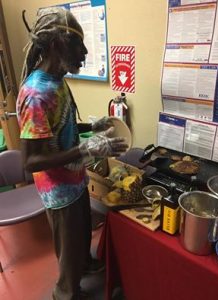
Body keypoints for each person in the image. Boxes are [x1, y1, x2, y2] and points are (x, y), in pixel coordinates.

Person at [16, 7, 128, 300]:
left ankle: (85, 263)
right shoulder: (36, 94)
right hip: (57, 189)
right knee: (68, 248)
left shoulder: (56, 80)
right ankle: (65, 291)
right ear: (56, 44)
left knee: (81, 232)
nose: (85, 51)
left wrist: (91, 126)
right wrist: (85, 148)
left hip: (75, 178)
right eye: (77, 44)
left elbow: (57, 124)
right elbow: (30, 160)